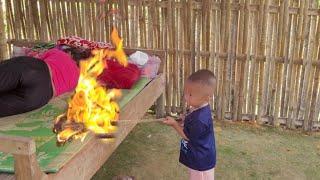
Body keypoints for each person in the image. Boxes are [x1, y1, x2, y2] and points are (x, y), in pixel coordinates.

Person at [0, 45, 91, 117]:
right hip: (41, 95)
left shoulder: (61, 54)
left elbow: (38, 59)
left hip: (36, 70)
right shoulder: (77, 80)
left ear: (70, 54)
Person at [163, 69, 217, 180]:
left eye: (190, 94)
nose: (186, 97)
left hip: (201, 163)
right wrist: (183, 119)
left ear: (207, 97)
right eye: (186, 93)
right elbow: (191, 120)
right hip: (198, 156)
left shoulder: (200, 119)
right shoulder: (198, 107)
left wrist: (174, 124)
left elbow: (187, 136)